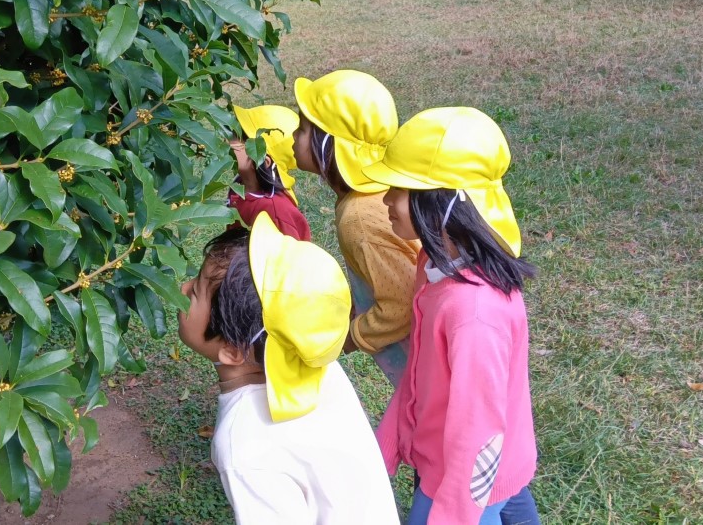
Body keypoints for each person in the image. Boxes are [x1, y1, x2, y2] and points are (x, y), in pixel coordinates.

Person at [363, 107, 540, 525]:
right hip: (482, 466)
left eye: (400, 189)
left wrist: (451, 516)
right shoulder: (435, 263)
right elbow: (420, 374)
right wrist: (386, 445)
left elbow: (479, 435)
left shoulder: (473, 313)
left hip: (458, 483)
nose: (386, 199)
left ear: (444, 203)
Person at [178, 213, 399, 524]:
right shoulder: (315, 366)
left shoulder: (242, 448)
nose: (183, 287)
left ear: (230, 351)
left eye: (195, 293)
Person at [292, 70, 420, 386]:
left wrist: (349, 338)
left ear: (328, 144)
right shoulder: (369, 197)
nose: (293, 136)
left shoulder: (359, 218)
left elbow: (401, 307)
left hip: (422, 368)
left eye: (303, 128)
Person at [227, 104, 311, 241]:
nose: (230, 141)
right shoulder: (239, 185)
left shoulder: (277, 212)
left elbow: (290, 258)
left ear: (264, 161)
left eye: (240, 137)